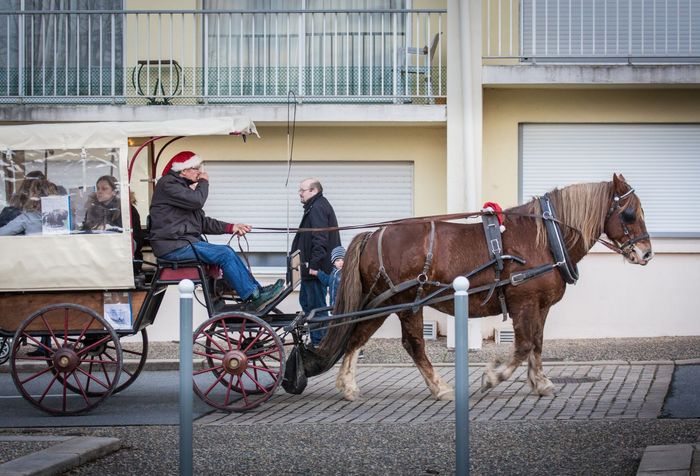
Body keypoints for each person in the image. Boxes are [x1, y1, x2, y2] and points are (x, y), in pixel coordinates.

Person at [149, 151, 283, 309]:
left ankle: (256, 291)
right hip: (173, 247)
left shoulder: (181, 190)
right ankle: (252, 296)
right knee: (224, 253)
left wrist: (231, 227)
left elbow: (202, 222)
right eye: (196, 168)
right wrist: (203, 182)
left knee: (226, 251)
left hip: (180, 243)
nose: (200, 172)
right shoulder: (168, 184)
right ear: (183, 170)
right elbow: (198, 201)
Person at [291, 178, 341, 346]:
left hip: (314, 271)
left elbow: (320, 240)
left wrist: (313, 267)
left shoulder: (317, 207)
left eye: (302, 190)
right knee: (307, 303)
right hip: (309, 270)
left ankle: (322, 344)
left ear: (313, 191)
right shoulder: (315, 206)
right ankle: (319, 340)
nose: (299, 193)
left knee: (316, 307)